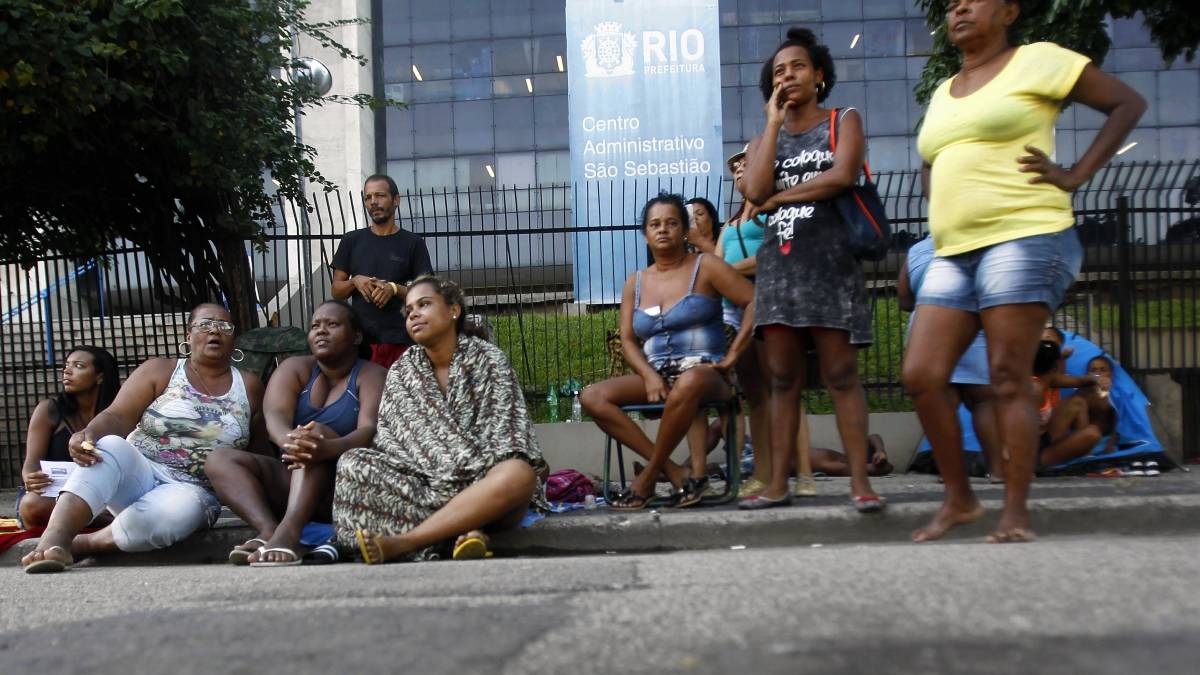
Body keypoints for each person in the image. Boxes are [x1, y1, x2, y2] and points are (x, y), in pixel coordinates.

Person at [904, 0, 1145, 543]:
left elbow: (1127, 103)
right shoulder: (945, 90)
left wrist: (1076, 174)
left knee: (1009, 376)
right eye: (950, 3)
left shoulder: (1037, 59)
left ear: (1009, 10)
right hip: (953, 248)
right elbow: (932, 157)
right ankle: (960, 500)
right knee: (921, 374)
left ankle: (1015, 511)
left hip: (1025, 235)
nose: (958, 7)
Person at [740, 27, 883, 512]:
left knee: (842, 375)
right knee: (782, 380)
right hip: (780, 273)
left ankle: (861, 483)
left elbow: (842, 175)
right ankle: (778, 484)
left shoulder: (844, 119)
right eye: (779, 71)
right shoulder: (765, 137)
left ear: (819, 75)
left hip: (830, 265)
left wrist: (781, 195)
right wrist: (773, 124)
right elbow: (755, 193)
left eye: (797, 67)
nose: (788, 76)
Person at [20, 304, 265, 573]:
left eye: (224, 326)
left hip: (193, 491)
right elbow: (117, 416)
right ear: (188, 335)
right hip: (139, 472)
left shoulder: (250, 386)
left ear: (234, 340)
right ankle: (55, 537)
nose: (214, 331)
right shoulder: (160, 370)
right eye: (205, 324)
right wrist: (89, 433)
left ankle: (83, 545)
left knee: (173, 516)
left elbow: (256, 451)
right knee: (108, 446)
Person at [333, 275, 548, 563]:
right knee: (353, 463)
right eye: (409, 311)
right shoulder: (403, 370)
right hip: (424, 483)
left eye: (424, 305)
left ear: (453, 310)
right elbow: (393, 441)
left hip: (487, 481)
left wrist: (464, 473)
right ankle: (467, 526)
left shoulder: (489, 359)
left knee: (519, 474)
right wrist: (443, 475)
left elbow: (509, 433)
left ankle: (405, 541)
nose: (414, 315)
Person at [581, 193, 755, 510]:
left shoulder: (707, 267)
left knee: (688, 382)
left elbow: (754, 300)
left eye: (672, 223)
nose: (663, 230)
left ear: (685, 229)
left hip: (707, 373)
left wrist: (732, 357)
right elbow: (628, 339)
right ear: (645, 233)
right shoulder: (635, 282)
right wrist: (648, 374)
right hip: (659, 376)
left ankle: (647, 479)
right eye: (655, 224)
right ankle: (675, 472)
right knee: (592, 396)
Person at [207, 300, 385, 566]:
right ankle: (269, 530)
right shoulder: (295, 368)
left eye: (332, 324)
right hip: (292, 476)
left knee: (318, 433)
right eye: (315, 326)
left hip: (341, 489)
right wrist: (290, 440)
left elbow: (368, 430)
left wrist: (327, 448)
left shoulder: (371, 374)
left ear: (356, 336)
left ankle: (289, 532)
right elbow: (275, 415)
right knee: (219, 460)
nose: (321, 331)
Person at [899, 236, 1005, 481]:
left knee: (942, 402)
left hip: (928, 326)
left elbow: (904, 298)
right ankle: (999, 469)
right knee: (983, 401)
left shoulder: (917, 250)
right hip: (975, 321)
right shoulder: (985, 240)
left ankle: (950, 473)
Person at [714, 149, 772, 496]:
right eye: (734, 168)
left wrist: (728, 272)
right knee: (741, 392)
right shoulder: (732, 221)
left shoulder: (770, 211)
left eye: (744, 165)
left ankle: (781, 469)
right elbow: (715, 260)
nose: (738, 171)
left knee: (769, 388)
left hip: (761, 302)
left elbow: (772, 253)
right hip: (728, 307)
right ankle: (747, 469)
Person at [331, 173, 434, 368]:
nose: (373, 202)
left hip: (403, 341)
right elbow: (336, 291)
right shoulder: (351, 241)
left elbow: (427, 294)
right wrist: (355, 281)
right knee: (367, 397)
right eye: (368, 198)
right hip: (361, 344)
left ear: (396, 200)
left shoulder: (413, 243)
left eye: (380, 195)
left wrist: (393, 289)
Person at [18, 346, 120, 529]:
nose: (67, 370)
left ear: (100, 376)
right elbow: (31, 464)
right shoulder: (49, 410)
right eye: (66, 365)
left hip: (104, 494)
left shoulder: (118, 413)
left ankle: (98, 517)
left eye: (78, 366)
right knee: (31, 505)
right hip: (55, 494)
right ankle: (109, 520)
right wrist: (30, 478)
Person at [1035, 347, 1114, 468]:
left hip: (1045, 439)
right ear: (1052, 368)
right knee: (1093, 434)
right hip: (1032, 453)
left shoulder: (1050, 380)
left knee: (1077, 403)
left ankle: (1085, 457)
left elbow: (1080, 381)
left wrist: (1098, 378)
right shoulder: (1034, 389)